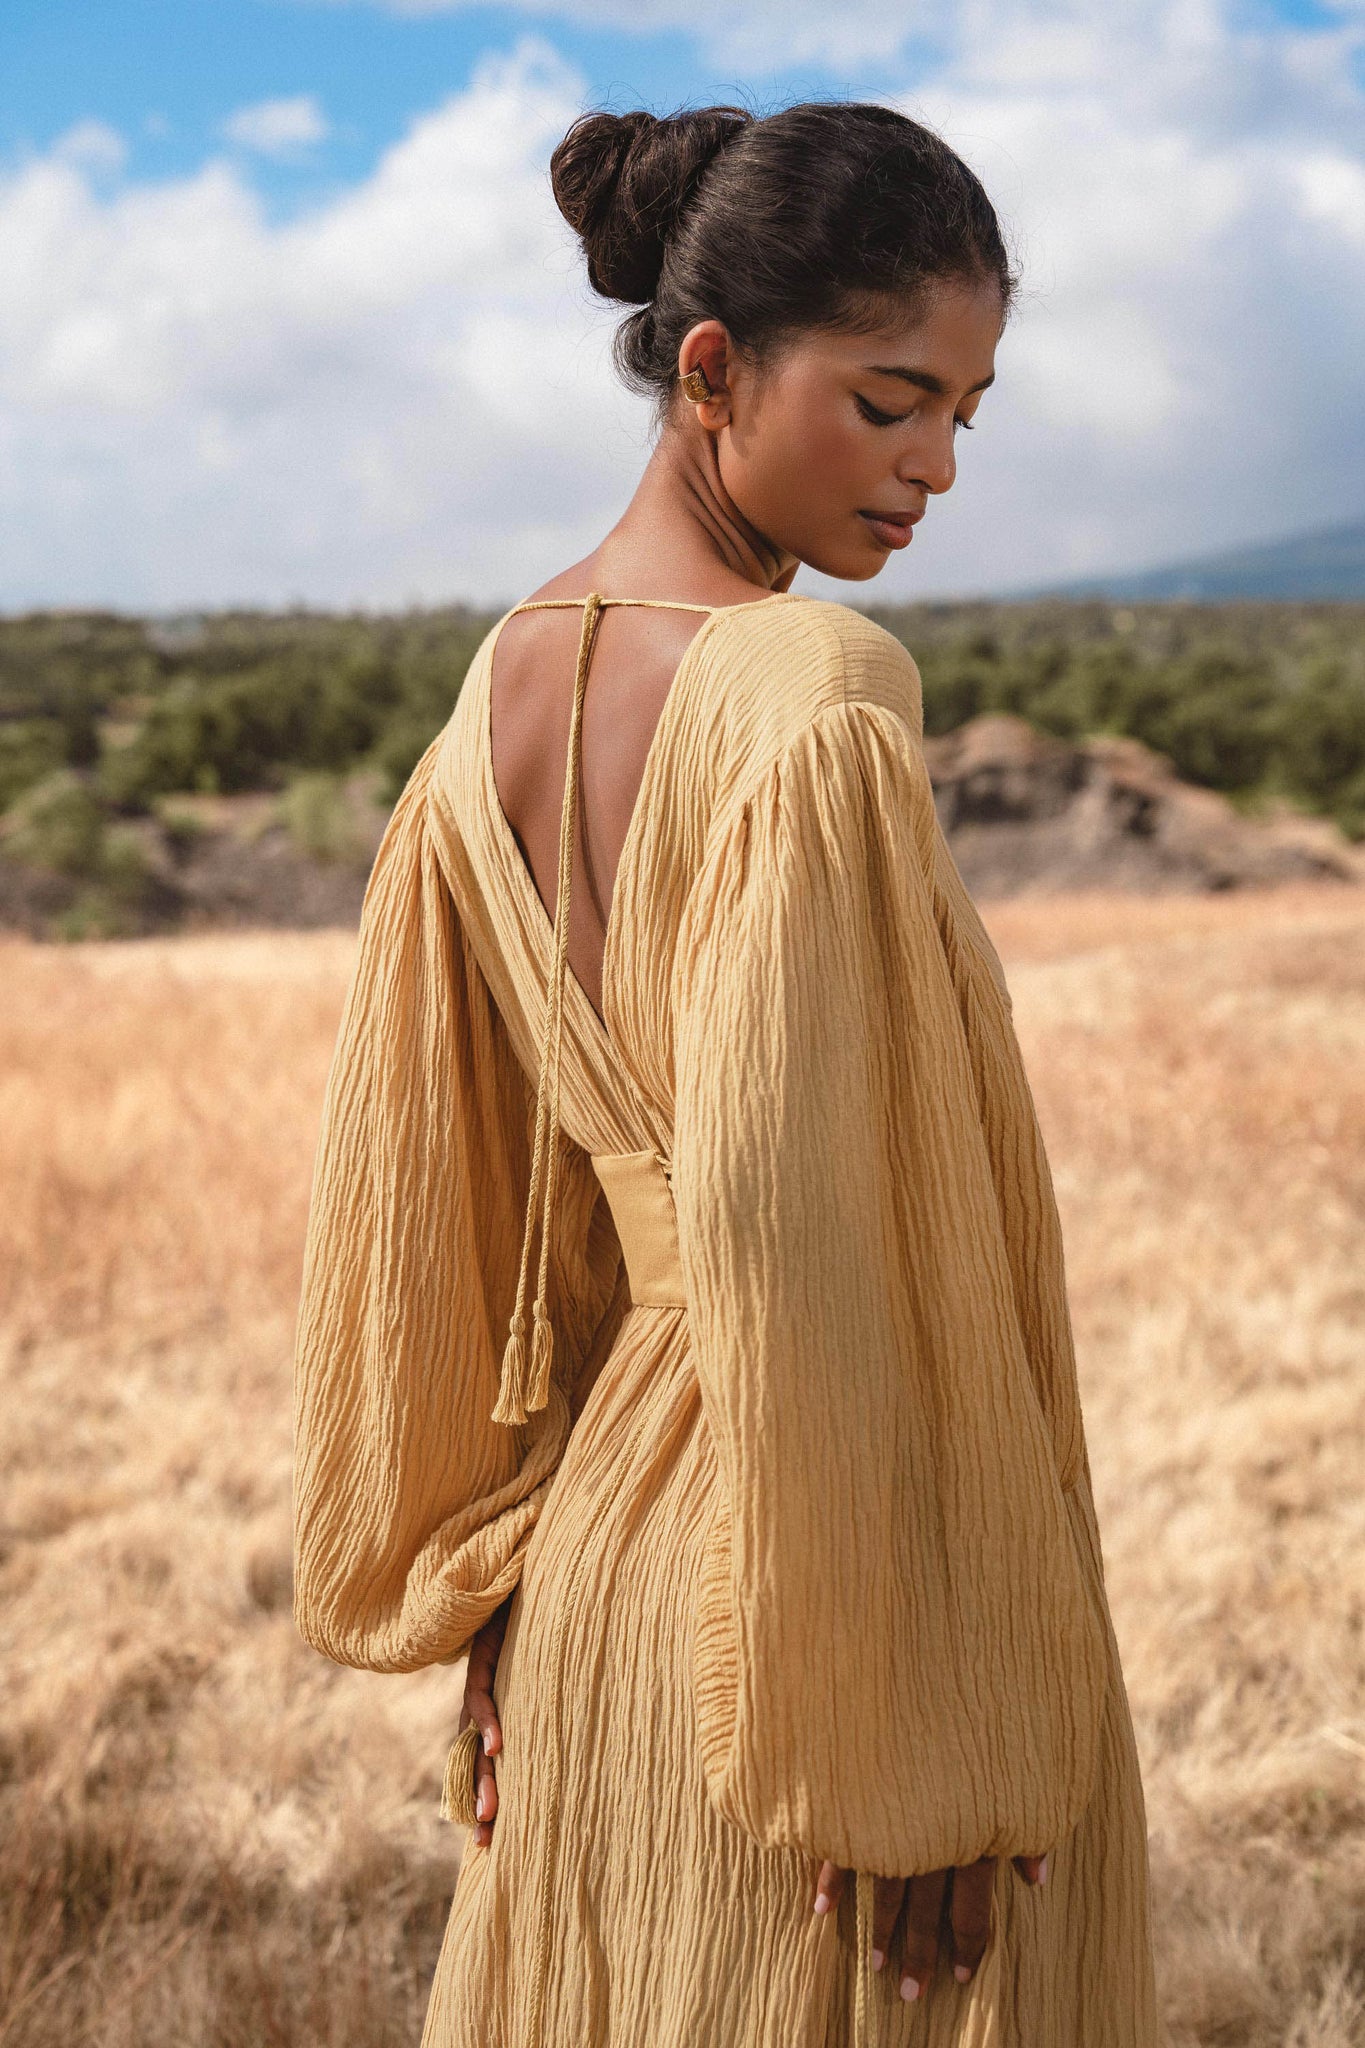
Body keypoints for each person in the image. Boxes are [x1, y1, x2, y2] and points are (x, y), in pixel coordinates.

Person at [292, 100, 1160, 2048]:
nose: (936, 464)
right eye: (886, 400)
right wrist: (911, 1730)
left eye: (966, 411)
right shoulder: (810, 692)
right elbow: (819, 1244)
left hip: (599, 1576)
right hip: (812, 1617)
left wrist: (506, 1582)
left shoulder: (489, 695)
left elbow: (457, 1217)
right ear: (712, 371)